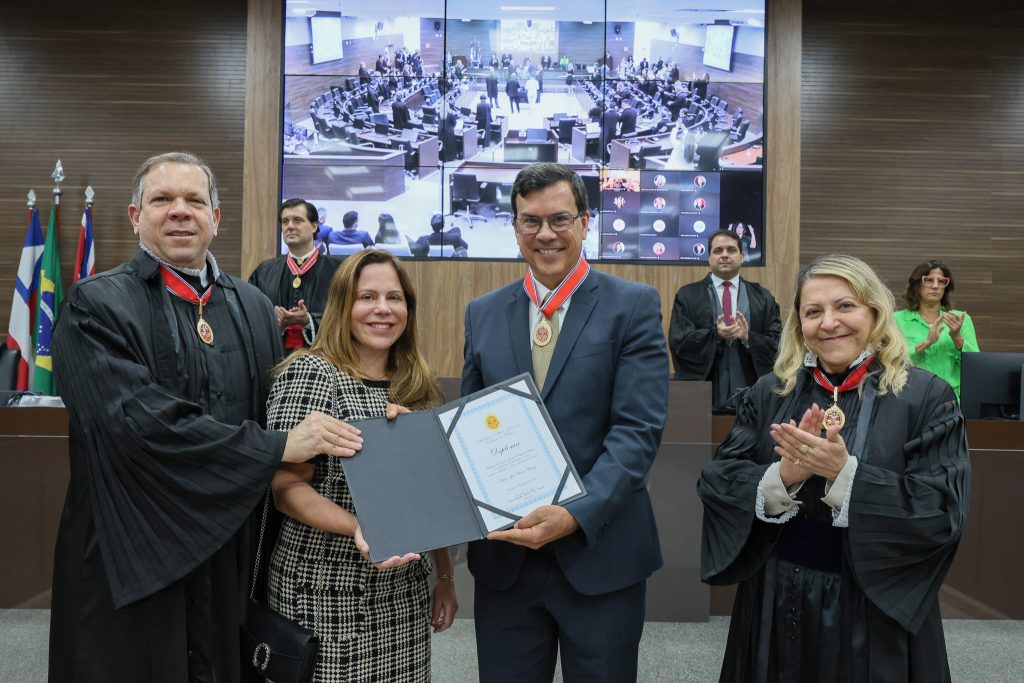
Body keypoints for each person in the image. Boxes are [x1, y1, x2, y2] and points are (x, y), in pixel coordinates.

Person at [47, 152, 362, 682]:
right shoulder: (93, 305)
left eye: (194, 200)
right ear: (135, 217)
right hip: (132, 549)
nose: (180, 211)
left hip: (228, 548)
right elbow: (135, 425)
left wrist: (379, 414)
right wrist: (274, 447)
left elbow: (290, 405)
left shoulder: (253, 306)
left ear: (216, 218)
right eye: (162, 200)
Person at [699, 254, 970, 682]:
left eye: (845, 306)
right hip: (774, 599)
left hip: (872, 607)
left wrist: (846, 476)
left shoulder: (925, 398)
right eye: (813, 312)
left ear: (875, 313)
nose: (829, 323)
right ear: (799, 324)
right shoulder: (770, 392)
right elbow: (718, 480)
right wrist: (782, 479)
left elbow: (941, 510)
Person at [462, 163, 668, 682]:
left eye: (560, 219)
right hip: (507, 562)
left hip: (601, 552)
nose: (546, 234)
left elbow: (637, 431)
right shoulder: (482, 313)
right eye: (530, 221)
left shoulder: (632, 305)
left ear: (585, 222)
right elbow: (471, 428)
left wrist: (575, 514)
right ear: (514, 227)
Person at [266, 248, 457, 681]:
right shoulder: (311, 373)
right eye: (367, 297)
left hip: (403, 595)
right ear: (343, 306)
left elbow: (433, 498)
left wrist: (445, 576)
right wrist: (358, 526)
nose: (382, 309)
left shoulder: (418, 386)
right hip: (324, 594)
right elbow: (285, 490)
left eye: (394, 297)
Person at [669, 229, 782, 413]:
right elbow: (679, 342)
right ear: (709, 258)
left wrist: (748, 338)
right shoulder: (688, 296)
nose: (724, 255)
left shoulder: (763, 298)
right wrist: (714, 334)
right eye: (718, 251)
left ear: (742, 256)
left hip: (753, 395)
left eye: (731, 250)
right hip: (705, 394)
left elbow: (778, 343)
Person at [894, 260, 979, 399]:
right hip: (909, 397)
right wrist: (926, 343)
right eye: (928, 280)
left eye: (941, 281)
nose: (935, 286)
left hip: (950, 399)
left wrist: (957, 338)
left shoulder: (960, 319)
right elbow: (889, 360)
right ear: (916, 284)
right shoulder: (896, 319)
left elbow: (976, 366)